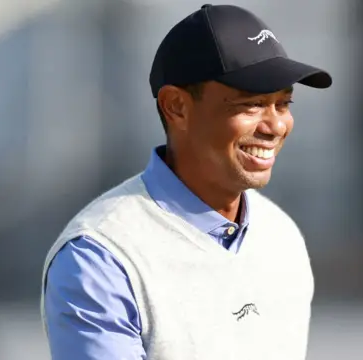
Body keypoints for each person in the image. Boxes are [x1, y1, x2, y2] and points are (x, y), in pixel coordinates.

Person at [39, 4, 332, 360]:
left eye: (283, 104)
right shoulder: (101, 257)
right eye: (252, 104)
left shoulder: (281, 237)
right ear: (176, 106)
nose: (275, 126)